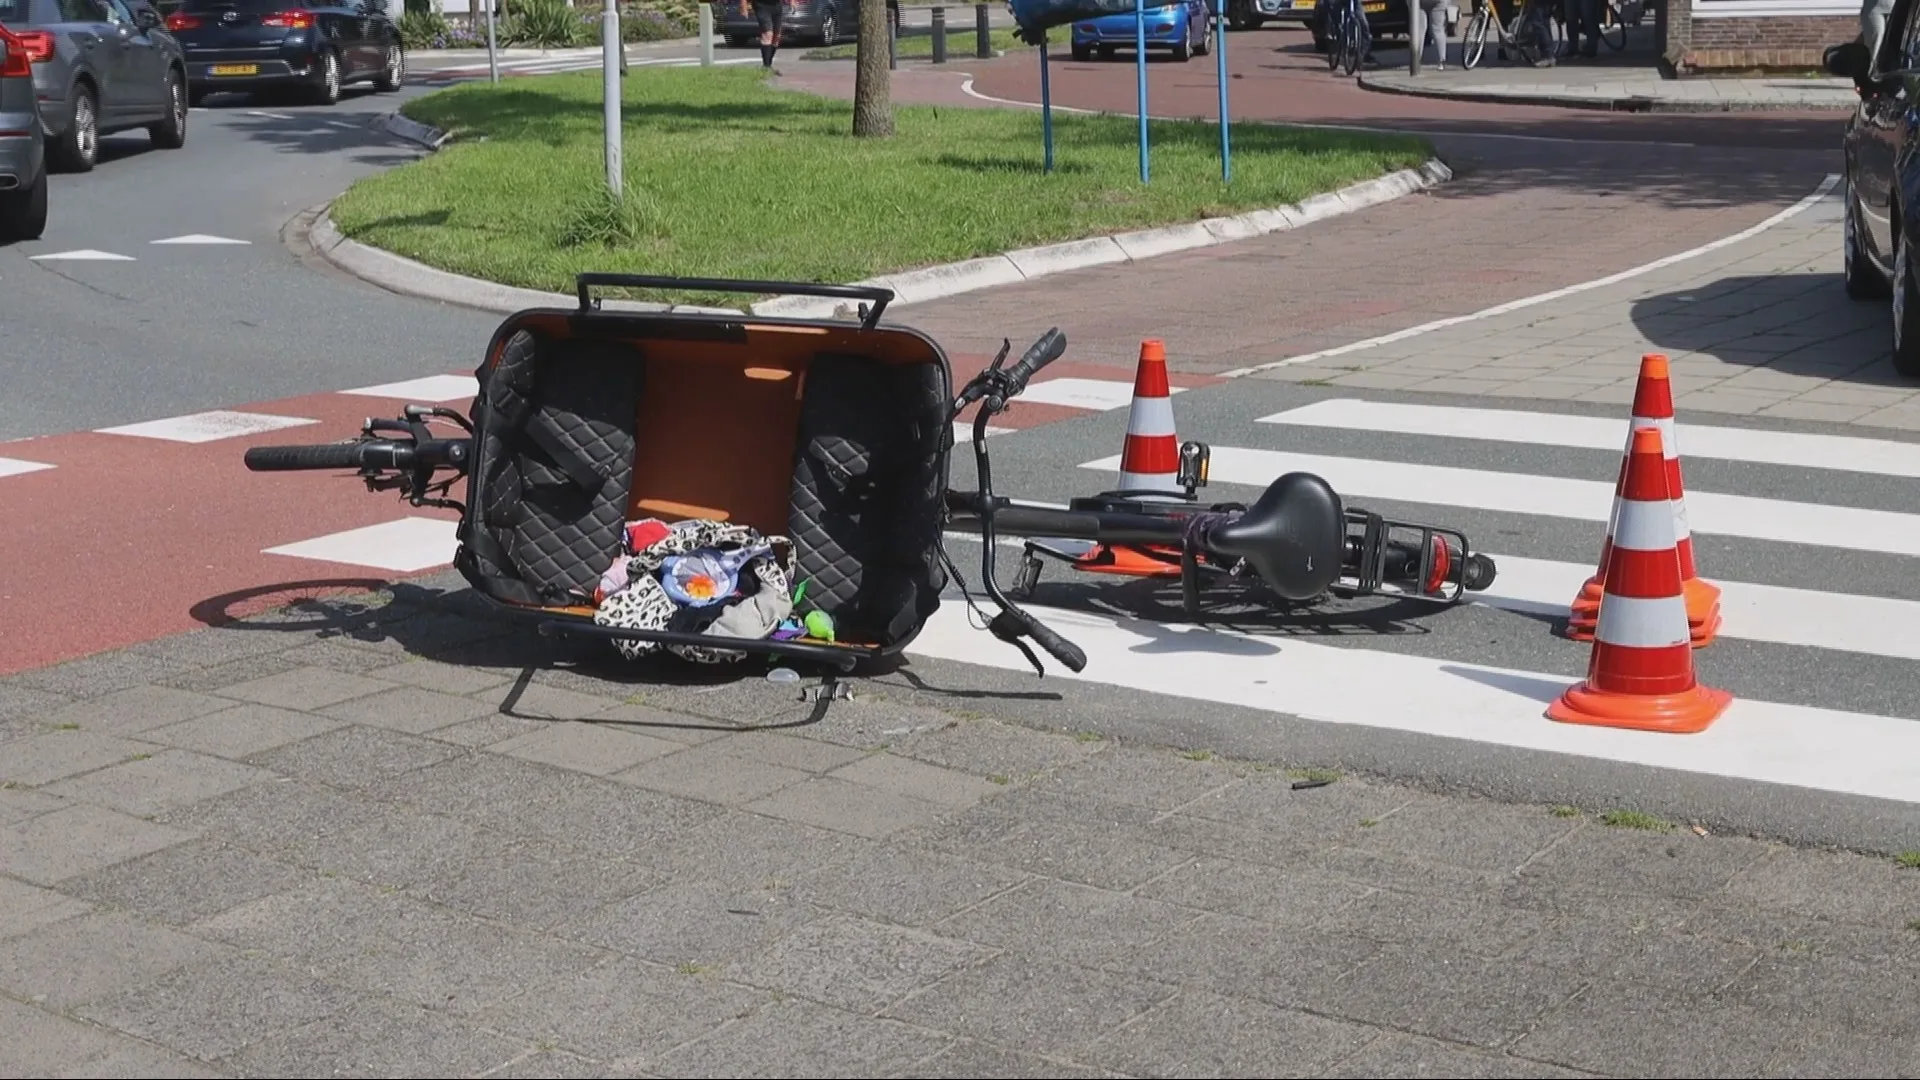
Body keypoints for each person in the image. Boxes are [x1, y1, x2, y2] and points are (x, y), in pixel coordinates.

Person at [742, 0, 785, 68]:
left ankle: (769, 65)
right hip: (761, 5)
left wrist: (792, 1)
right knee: (768, 34)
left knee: (776, 36)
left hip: (777, 6)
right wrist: (744, 7)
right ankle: (766, 66)